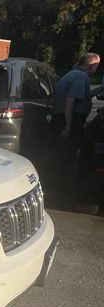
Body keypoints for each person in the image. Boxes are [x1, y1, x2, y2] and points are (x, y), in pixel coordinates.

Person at [50, 52, 103, 207]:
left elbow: (84, 96)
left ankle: (57, 190)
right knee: (66, 156)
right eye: (97, 66)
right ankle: (60, 194)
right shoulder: (81, 78)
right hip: (70, 120)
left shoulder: (71, 75)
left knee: (60, 156)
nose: (97, 69)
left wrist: (99, 89)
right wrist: (68, 125)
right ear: (92, 65)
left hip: (62, 118)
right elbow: (70, 100)